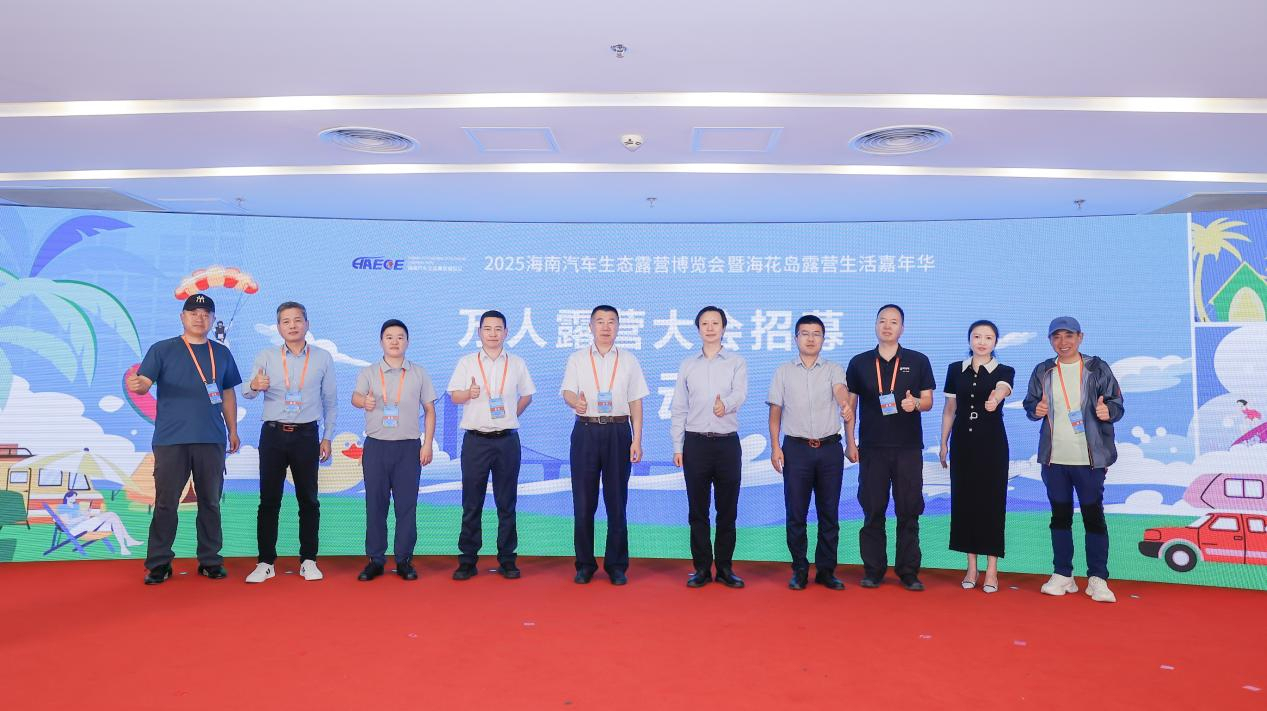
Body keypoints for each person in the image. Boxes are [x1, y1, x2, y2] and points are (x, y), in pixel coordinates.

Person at [127, 293, 242, 585]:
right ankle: (159, 563)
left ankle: (210, 560)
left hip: (211, 438)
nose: (199, 318)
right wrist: (139, 385)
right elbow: (144, 383)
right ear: (182, 317)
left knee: (210, 503)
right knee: (166, 503)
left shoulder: (222, 353)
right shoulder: (162, 349)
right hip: (171, 440)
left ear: (212, 319)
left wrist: (232, 430)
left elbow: (228, 393)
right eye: (193, 313)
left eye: (205, 314)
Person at [1022, 317, 1124, 603]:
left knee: (1093, 517)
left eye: (1069, 335)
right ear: (1050, 340)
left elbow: (1116, 404)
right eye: (1056, 337)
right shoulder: (1043, 370)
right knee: (1060, 517)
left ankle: (1097, 578)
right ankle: (1063, 574)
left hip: (1090, 459)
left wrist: (1108, 412)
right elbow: (1030, 404)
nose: (1063, 342)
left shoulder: (1097, 368)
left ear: (1080, 337)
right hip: (1054, 459)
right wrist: (1035, 410)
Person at [240, 301, 337, 584]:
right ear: (278, 327)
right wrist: (254, 386)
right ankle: (265, 562)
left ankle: (308, 560)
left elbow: (330, 401)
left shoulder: (322, 358)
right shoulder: (266, 356)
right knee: (269, 500)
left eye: (297, 320)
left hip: (307, 435)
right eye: (286, 321)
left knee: (309, 500)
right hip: (273, 434)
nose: (292, 325)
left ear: (307, 324)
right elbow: (247, 392)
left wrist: (328, 436)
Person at [845, 304, 935, 591]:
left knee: (909, 510)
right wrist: (850, 441)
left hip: (908, 448)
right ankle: (873, 570)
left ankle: (908, 571)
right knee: (873, 509)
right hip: (872, 448)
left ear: (902, 328)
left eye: (893, 322)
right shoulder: (859, 363)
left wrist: (915, 403)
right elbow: (850, 407)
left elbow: (928, 402)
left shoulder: (918, 361)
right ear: (875, 325)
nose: (887, 326)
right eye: (882, 321)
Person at [767, 314, 858, 591]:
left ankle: (826, 571)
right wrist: (775, 446)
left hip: (829, 450)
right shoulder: (783, 371)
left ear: (823, 339)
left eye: (816, 333)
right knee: (796, 513)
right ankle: (799, 569)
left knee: (829, 513)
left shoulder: (833, 369)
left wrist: (845, 405)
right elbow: (775, 412)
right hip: (796, 449)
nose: (810, 338)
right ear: (796, 338)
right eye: (805, 333)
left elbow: (840, 390)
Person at [561, 305, 650, 585]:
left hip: (618, 431)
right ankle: (584, 565)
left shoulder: (629, 360)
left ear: (618, 327)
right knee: (583, 502)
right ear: (590, 326)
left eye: (611, 321)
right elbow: (567, 391)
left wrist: (637, 439)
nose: (606, 326)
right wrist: (576, 402)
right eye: (600, 321)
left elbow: (636, 401)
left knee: (617, 501)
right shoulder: (577, 358)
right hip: (585, 431)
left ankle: (616, 566)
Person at [446, 310, 536, 581]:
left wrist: (509, 416)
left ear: (506, 332)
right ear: (479, 333)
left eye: (498, 329)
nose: (493, 334)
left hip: (507, 441)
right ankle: (467, 560)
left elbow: (527, 395)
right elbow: (454, 396)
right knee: (471, 503)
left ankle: (507, 559)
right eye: (488, 329)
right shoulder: (467, 362)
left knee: (506, 503)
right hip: (476, 441)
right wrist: (469, 393)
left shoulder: (517, 363)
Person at [351, 319, 437, 582]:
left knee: (406, 507)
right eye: (389, 337)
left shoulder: (419, 373)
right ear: (381, 342)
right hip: (376, 447)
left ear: (407, 342)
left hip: (408, 448)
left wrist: (427, 443)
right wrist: (363, 401)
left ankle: (403, 560)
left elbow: (430, 410)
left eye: (400, 337)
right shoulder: (369, 372)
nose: (395, 341)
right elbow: (355, 397)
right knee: (375, 506)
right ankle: (375, 560)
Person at [670, 306, 748, 589]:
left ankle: (725, 568)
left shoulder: (736, 362)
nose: (710, 328)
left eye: (716, 323)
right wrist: (677, 445)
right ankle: (701, 568)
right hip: (695, 443)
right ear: (698, 329)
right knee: (698, 511)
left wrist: (724, 404)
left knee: (727, 511)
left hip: (727, 444)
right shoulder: (688, 365)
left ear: (724, 328)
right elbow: (679, 407)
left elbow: (740, 393)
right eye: (705, 323)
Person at [939, 320, 1014, 594]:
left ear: (995, 342)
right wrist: (943, 443)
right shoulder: (954, 369)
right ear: (969, 339)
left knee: (992, 503)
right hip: (962, 444)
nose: (982, 342)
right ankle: (971, 567)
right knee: (965, 502)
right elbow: (949, 409)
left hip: (992, 445)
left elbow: (1002, 388)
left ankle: (992, 568)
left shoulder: (1004, 370)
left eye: (988, 338)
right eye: (977, 336)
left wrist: (996, 399)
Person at [57, 490, 143, 556]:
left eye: (75, 497)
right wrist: (82, 517)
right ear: (67, 497)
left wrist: (86, 515)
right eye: (73, 497)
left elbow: (81, 518)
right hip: (75, 529)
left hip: (85, 525)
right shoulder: (62, 507)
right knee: (112, 514)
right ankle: (128, 540)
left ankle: (123, 547)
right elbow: (68, 522)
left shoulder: (76, 506)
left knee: (115, 522)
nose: (75, 499)